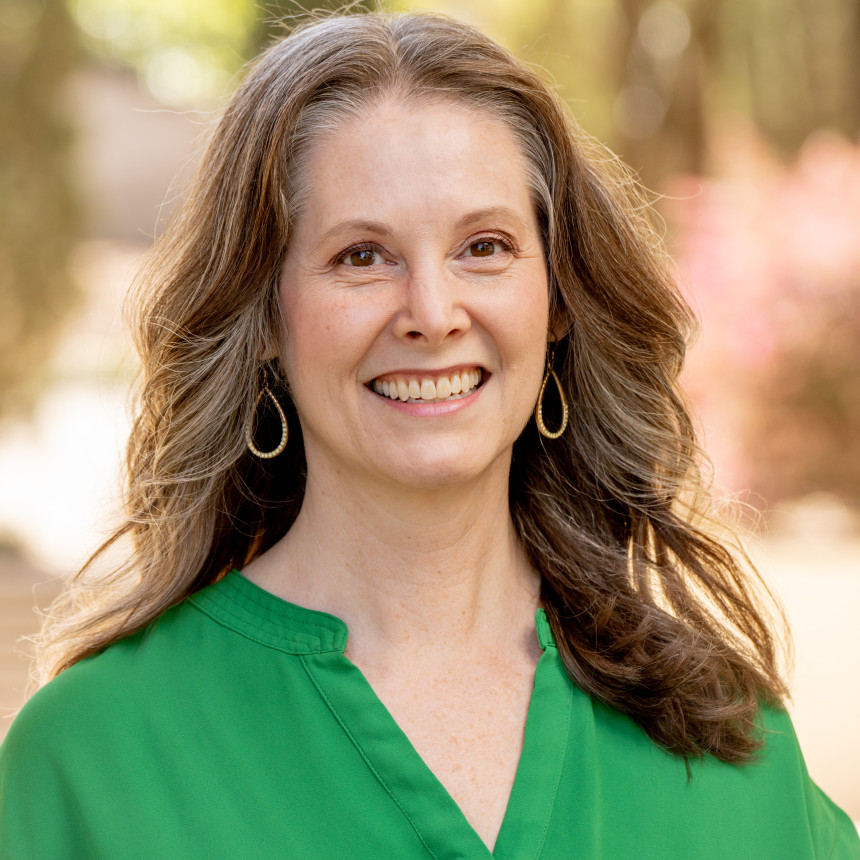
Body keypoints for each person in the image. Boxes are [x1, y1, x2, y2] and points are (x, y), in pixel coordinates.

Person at [1, 10, 858, 859]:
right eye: (362, 257)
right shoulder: (91, 759)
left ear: (557, 299)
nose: (433, 314)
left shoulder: (724, 740)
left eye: (484, 246)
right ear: (264, 314)